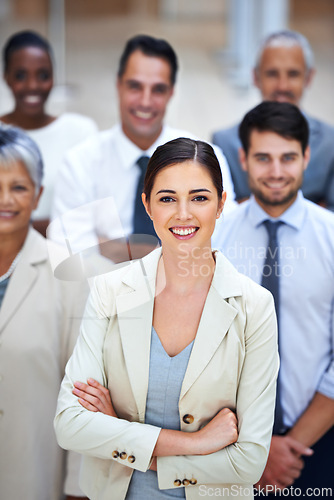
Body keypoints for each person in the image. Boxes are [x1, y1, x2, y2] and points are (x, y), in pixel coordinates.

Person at [54, 137, 278, 500]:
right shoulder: (109, 292)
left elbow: (248, 463)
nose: (184, 214)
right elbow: (70, 426)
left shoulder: (255, 307)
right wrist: (200, 443)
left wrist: (119, 431)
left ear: (222, 204)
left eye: (200, 198)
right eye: (167, 198)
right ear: (148, 205)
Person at [213, 102, 334, 495]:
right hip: (228, 443)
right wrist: (257, 446)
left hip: (318, 443)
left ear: (306, 157)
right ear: (243, 159)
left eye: (288, 158)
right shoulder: (214, 239)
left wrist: (288, 447)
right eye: (263, 158)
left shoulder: (332, 238)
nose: (277, 172)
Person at [49, 34, 236, 260]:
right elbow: (69, 256)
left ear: (171, 93)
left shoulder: (207, 158)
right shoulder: (80, 163)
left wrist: (112, 248)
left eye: (157, 89)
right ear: (118, 85)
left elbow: (226, 238)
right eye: (135, 87)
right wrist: (180, 247)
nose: (145, 102)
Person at [0, 125, 89, 500]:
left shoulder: (66, 269)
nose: (5, 199)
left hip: (33, 474)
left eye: (18, 187)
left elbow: (85, 391)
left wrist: (77, 488)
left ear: (38, 194)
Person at [212, 30, 334, 210]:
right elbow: (220, 213)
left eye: (293, 74)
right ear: (255, 77)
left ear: (308, 77)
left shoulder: (330, 143)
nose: (282, 86)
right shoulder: (224, 142)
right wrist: (314, 206)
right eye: (272, 74)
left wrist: (248, 203)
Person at [0, 30, 98, 235]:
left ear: (54, 76)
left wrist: (15, 226)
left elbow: (93, 213)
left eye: (43, 75)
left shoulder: (80, 132)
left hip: (66, 259)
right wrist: (58, 224)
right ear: (6, 77)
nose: (33, 85)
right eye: (20, 75)